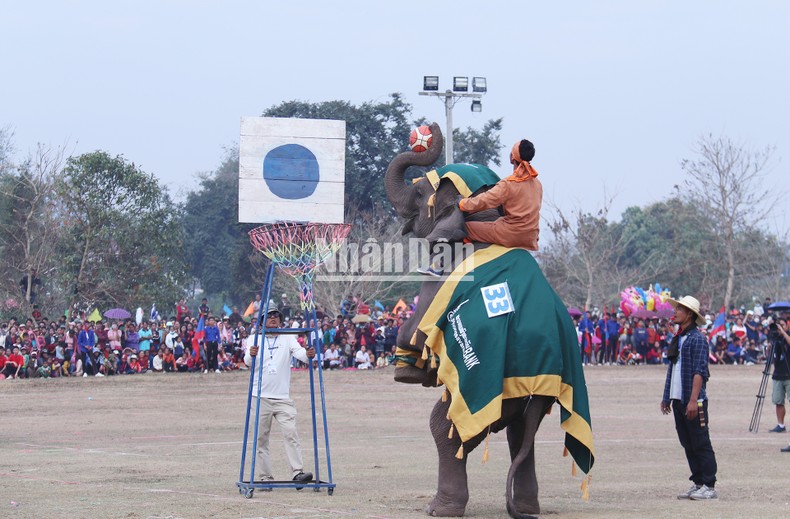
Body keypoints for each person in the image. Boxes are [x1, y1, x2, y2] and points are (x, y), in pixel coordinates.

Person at [244, 309, 315, 487]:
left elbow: (301, 355)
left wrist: (308, 354)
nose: (273, 319)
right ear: (261, 322)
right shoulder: (254, 339)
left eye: (276, 317)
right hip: (260, 397)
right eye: (269, 317)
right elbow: (247, 362)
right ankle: (265, 477)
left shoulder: (287, 337)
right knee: (261, 439)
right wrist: (251, 354)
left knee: (291, 432)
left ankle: (297, 472)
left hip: (283, 397)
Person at [660, 295, 718, 500]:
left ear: (690, 315)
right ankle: (698, 482)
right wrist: (667, 396)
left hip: (693, 400)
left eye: (680, 310)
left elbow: (699, 372)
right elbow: (672, 370)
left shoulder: (698, 339)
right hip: (678, 399)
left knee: (700, 442)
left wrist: (693, 400)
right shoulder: (678, 338)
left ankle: (709, 486)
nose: (675, 313)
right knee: (687, 442)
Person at [457, 139, 542, 250]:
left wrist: (463, 204)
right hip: (531, 237)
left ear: (513, 157)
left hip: (511, 234)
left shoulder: (508, 184)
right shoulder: (537, 184)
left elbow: (485, 200)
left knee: (463, 228)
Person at [766, 317, 790, 436]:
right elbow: (770, 356)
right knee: (778, 401)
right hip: (777, 374)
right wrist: (769, 348)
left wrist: (783, 332)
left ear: (787, 326)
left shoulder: (787, 336)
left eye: (782, 325)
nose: (779, 328)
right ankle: (780, 425)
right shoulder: (774, 339)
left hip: (789, 374)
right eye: (778, 325)